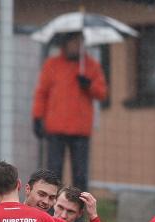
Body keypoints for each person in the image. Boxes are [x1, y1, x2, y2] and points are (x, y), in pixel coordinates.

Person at [32, 32, 108, 192]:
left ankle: (78, 205)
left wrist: (89, 85)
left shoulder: (90, 66)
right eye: (74, 42)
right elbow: (42, 93)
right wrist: (37, 117)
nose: (77, 47)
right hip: (56, 128)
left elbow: (102, 93)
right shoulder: (52, 64)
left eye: (80, 43)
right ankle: (52, 204)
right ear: (65, 43)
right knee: (53, 173)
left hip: (80, 129)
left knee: (80, 175)